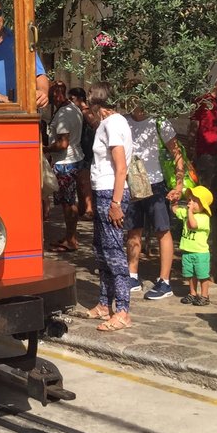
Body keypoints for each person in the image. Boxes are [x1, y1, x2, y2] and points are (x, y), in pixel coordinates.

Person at [81, 82, 133, 331]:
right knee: (102, 251)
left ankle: (122, 310)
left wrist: (115, 202)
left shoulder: (112, 124)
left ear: (96, 104)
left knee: (114, 253)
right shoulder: (110, 123)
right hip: (103, 191)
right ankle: (104, 303)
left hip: (110, 192)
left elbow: (121, 167)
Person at [124, 103, 186, 300]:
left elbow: (177, 154)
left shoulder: (159, 122)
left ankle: (164, 281)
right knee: (133, 229)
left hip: (155, 183)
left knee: (162, 230)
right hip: (132, 184)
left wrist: (179, 185)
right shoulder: (123, 121)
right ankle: (132, 275)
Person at [45, 82, 85, 251]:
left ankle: (71, 239)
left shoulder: (63, 115)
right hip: (75, 158)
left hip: (65, 163)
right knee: (69, 201)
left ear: (55, 95)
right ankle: (70, 236)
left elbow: (62, 144)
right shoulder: (73, 108)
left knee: (68, 203)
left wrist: (45, 149)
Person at [173, 184, 213, 305]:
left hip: (200, 253)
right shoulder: (187, 212)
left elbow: (193, 225)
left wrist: (189, 212)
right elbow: (175, 210)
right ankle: (192, 293)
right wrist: (174, 200)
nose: (190, 203)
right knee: (189, 274)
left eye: (195, 201)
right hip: (187, 251)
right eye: (189, 200)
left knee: (202, 275)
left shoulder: (204, 217)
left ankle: (205, 295)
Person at [189, 74, 217, 181]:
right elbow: (194, 123)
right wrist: (191, 146)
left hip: (216, 148)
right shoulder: (203, 100)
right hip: (204, 148)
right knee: (202, 179)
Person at [70, 88, 96, 218]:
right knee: (80, 180)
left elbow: (94, 124)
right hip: (81, 148)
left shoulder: (85, 111)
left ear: (80, 99)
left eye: (72, 98)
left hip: (87, 149)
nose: (70, 101)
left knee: (85, 180)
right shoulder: (77, 112)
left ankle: (89, 209)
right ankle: (82, 207)